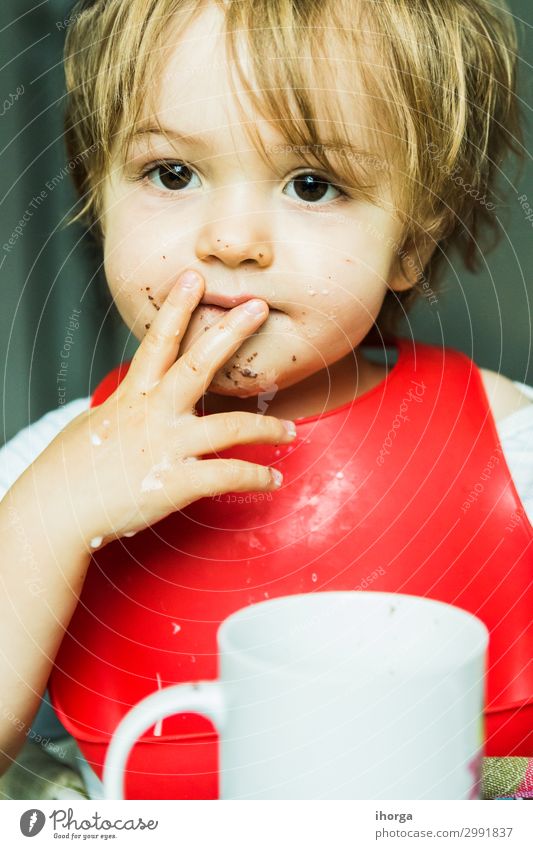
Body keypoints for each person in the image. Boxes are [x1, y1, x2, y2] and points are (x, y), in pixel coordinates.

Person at [0, 0, 532, 798]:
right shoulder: (47, 467)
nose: (231, 237)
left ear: (411, 242)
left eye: (311, 184)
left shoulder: (514, 449)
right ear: (98, 191)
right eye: (171, 173)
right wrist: (47, 519)